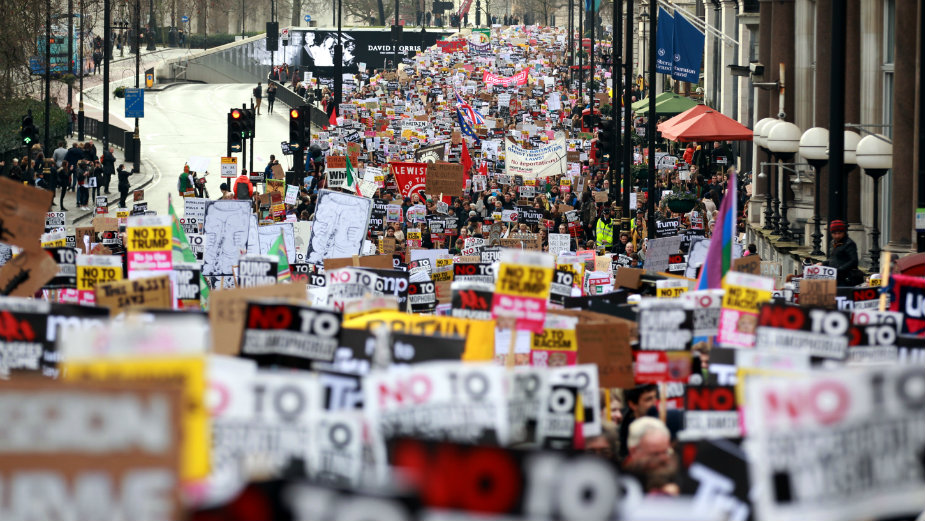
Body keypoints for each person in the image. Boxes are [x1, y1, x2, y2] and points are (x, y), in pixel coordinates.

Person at [619, 384, 658, 460]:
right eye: (648, 399)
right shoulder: (623, 431)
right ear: (632, 404)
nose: (655, 403)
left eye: (655, 397)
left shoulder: (666, 421)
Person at [820, 219, 865, 285]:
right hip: (835, 277)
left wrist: (838, 270)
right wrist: (823, 263)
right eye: (834, 233)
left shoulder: (849, 244)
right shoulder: (833, 243)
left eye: (839, 233)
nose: (837, 236)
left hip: (846, 279)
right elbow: (833, 259)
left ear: (844, 232)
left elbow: (854, 261)